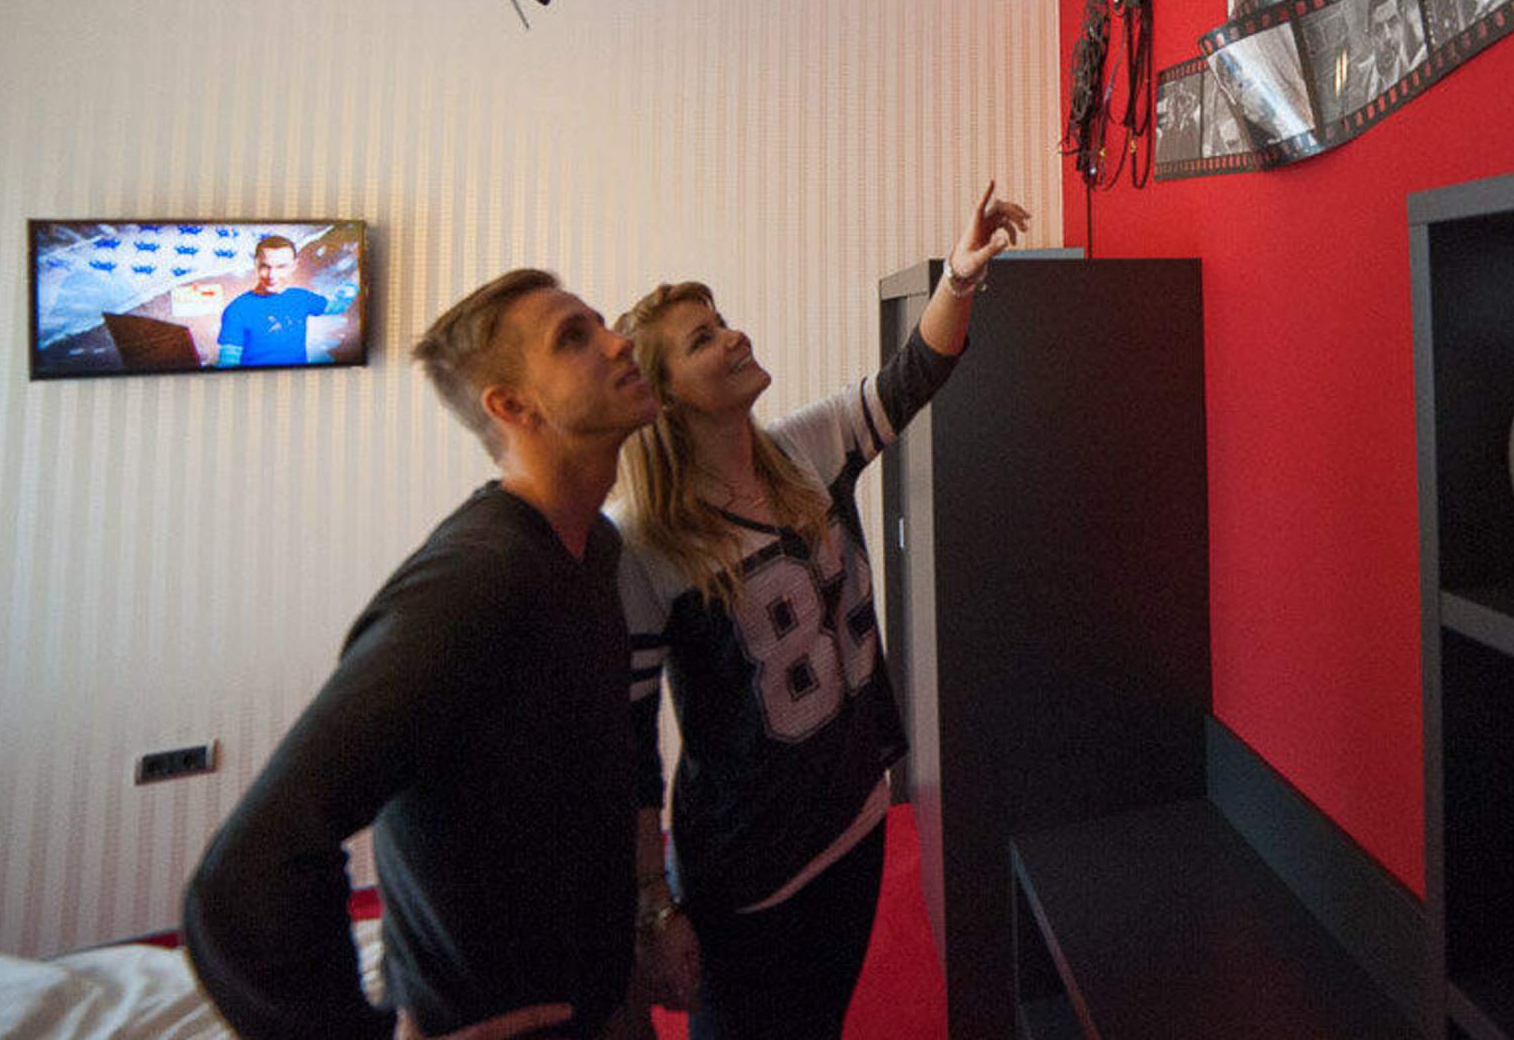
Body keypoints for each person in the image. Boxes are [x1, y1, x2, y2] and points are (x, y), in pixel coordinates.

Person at [183, 270, 665, 1040]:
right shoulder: (477, 582)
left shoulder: (593, 547)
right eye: (575, 337)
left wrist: (636, 932)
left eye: (601, 322)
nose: (619, 343)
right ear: (512, 406)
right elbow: (246, 875)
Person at [612, 185, 1031, 1040]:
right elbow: (629, 750)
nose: (734, 336)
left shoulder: (803, 447)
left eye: (722, 321)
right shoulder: (646, 541)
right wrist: (653, 902)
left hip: (858, 820)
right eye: (703, 339)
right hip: (750, 873)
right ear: (665, 398)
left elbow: (914, 373)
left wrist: (958, 277)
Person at [215, 233, 352, 367]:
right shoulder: (236, 310)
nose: (272, 275)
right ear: (256, 264)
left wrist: (356, 280)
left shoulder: (301, 298)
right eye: (265, 266)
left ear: (294, 266)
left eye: (281, 267)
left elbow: (337, 306)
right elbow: (228, 364)